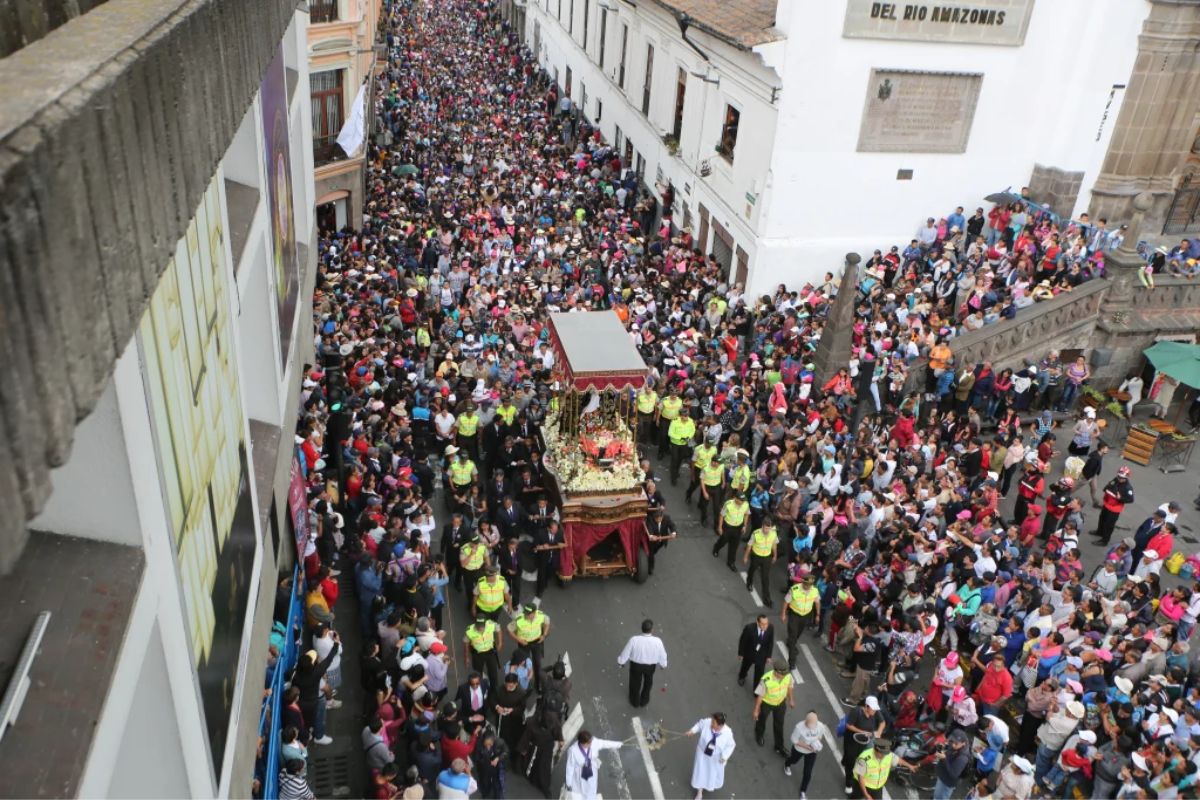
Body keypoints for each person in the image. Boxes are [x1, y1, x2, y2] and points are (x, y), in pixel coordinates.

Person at [617, 618, 668, 708]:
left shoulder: (634, 640)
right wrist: (663, 664)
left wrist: (621, 662)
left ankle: (634, 701)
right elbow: (663, 654)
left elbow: (626, 652)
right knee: (648, 683)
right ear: (652, 630)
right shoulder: (658, 641)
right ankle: (644, 700)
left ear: (642, 628)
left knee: (635, 683)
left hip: (636, 666)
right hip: (650, 667)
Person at [685, 713, 736, 800]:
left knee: (710, 774)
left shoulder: (727, 733)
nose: (711, 724)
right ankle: (699, 792)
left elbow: (731, 745)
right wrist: (692, 731)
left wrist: (724, 756)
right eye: (712, 721)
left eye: (714, 723)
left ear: (720, 725)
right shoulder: (707, 722)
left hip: (715, 759)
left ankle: (708, 785)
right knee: (700, 772)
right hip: (702, 755)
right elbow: (699, 725)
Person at [563, 730, 625, 800]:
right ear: (582, 743)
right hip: (579, 776)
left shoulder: (593, 742)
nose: (591, 744)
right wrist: (568, 783)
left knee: (591, 791)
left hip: (591, 771)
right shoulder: (573, 750)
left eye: (591, 741)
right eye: (588, 743)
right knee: (579, 794)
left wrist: (618, 744)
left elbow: (604, 743)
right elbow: (570, 767)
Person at [752, 659, 795, 755]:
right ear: (776, 672)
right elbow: (760, 696)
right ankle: (759, 734)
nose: (784, 676)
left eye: (785, 674)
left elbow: (790, 686)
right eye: (782, 674)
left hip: (780, 703)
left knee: (779, 725)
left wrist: (791, 699)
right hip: (767, 703)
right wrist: (756, 710)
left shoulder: (787, 675)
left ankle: (779, 746)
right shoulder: (765, 679)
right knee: (762, 720)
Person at [783, 711, 828, 800]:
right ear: (805, 722)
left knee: (808, 772)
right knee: (793, 760)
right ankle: (787, 764)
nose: (810, 729)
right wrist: (807, 746)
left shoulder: (820, 726)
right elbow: (794, 740)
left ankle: (803, 791)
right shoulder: (799, 727)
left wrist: (816, 744)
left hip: (811, 752)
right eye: (808, 726)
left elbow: (820, 736)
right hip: (799, 749)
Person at [782, 575, 820, 669]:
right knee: (793, 636)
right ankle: (792, 662)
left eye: (810, 585)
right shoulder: (794, 589)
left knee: (797, 634)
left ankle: (790, 642)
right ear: (803, 582)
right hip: (794, 615)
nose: (808, 586)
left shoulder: (814, 590)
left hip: (806, 615)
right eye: (806, 584)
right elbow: (786, 601)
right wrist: (783, 614)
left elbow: (817, 602)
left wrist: (818, 615)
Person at [512, 603, 550, 690]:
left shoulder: (541, 616)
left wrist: (544, 635)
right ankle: (525, 683)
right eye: (526, 613)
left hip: (537, 642)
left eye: (528, 613)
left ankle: (538, 683)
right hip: (524, 643)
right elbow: (509, 629)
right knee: (524, 663)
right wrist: (518, 639)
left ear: (534, 613)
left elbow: (547, 622)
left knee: (537, 663)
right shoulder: (519, 619)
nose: (526, 615)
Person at [743, 515, 780, 602]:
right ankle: (749, 582)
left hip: (767, 557)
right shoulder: (756, 533)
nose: (767, 530)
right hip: (756, 556)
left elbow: (774, 545)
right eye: (765, 528)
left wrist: (775, 555)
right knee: (752, 570)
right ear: (762, 526)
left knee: (765, 577)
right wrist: (745, 556)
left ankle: (767, 599)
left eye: (769, 528)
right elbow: (749, 545)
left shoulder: (773, 534)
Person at [737, 614, 775, 689]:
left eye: (767, 623)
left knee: (759, 673)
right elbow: (743, 641)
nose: (765, 626)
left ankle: (756, 689)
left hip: (762, 655)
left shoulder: (771, 628)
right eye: (763, 624)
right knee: (745, 666)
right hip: (749, 653)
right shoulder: (749, 628)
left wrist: (769, 656)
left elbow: (770, 642)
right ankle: (742, 676)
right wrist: (740, 654)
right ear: (758, 623)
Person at [463, 617, 502, 689]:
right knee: (478, 674)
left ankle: (494, 691)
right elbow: (466, 643)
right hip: (478, 655)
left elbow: (498, 629)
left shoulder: (490, 624)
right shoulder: (469, 630)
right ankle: (479, 690)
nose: (480, 628)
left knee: (493, 674)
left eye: (482, 626)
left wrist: (500, 643)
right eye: (478, 626)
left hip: (490, 652)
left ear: (485, 623)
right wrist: (466, 657)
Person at [934, 728, 970, 800]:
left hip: (947, 782)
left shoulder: (962, 758)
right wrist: (943, 746)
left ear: (963, 743)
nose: (953, 745)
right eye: (952, 741)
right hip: (943, 776)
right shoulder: (956, 746)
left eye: (956, 743)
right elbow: (950, 750)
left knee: (941, 797)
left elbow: (954, 774)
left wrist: (944, 759)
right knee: (937, 795)